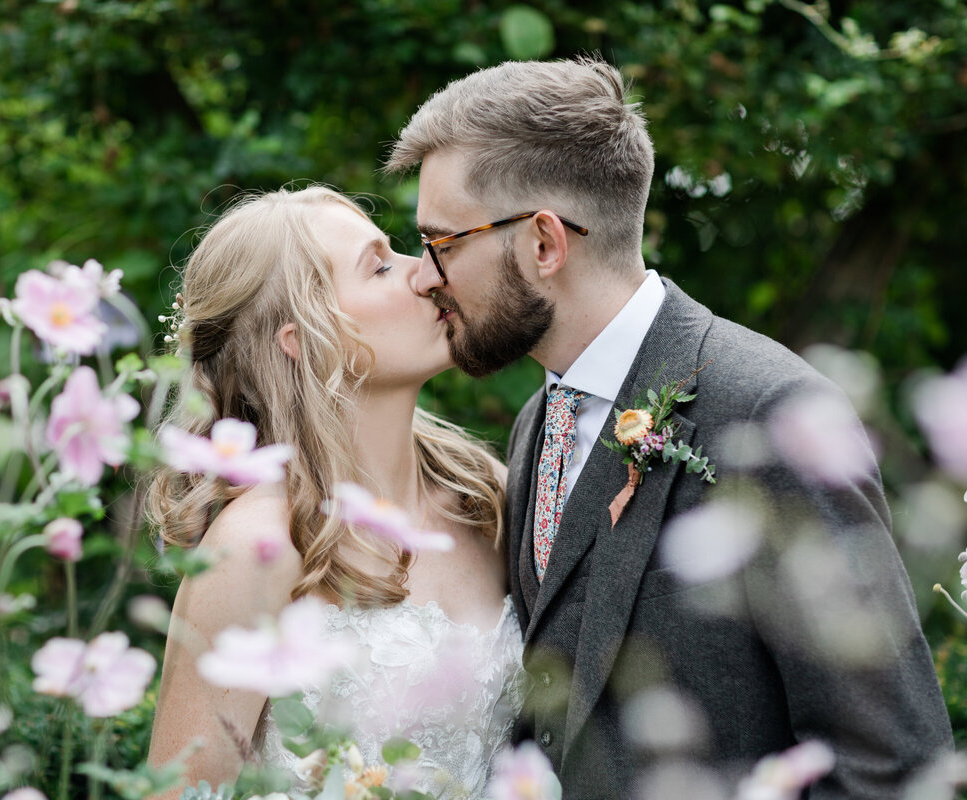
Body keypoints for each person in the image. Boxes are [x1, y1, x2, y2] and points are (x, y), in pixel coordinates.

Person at [384, 57, 952, 798]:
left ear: (545, 243)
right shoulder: (536, 424)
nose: (425, 274)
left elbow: (891, 765)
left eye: (443, 242)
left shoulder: (770, 411)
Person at [146, 186, 524, 800]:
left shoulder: (488, 498)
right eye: (379, 266)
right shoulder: (259, 545)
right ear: (303, 339)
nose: (428, 271)